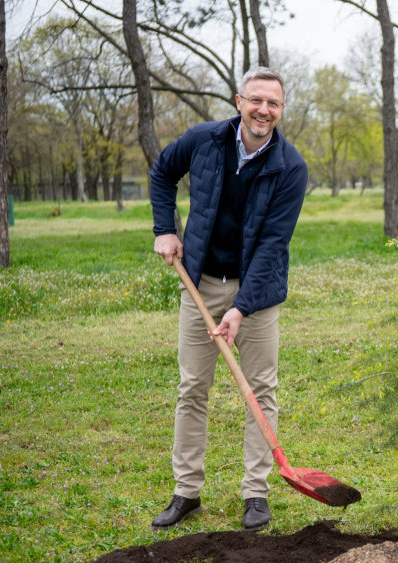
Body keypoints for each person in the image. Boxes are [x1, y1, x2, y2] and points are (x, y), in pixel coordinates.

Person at [149, 66, 308, 531]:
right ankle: (186, 492)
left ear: (281, 110)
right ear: (239, 100)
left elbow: (271, 246)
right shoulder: (204, 140)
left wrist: (240, 308)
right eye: (256, 100)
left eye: (273, 103)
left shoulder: (290, 168)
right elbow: (162, 173)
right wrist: (164, 229)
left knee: (260, 390)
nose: (264, 110)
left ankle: (255, 495)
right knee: (192, 387)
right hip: (198, 281)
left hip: (255, 292)